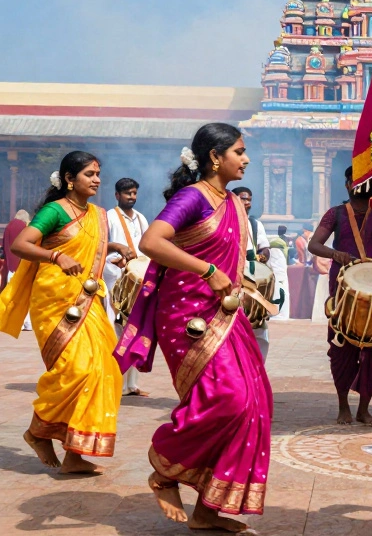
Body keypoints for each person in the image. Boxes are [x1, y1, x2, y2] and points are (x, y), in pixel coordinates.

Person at [116, 123, 272, 530]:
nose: (246, 158)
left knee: (254, 404)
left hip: (225, 313)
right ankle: (165, 471)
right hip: (189, 318)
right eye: (239, 151)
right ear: (215, 157)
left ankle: (208, 509)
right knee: (227, 400)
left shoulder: (234, 203)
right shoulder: (192, 197)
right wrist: (208, 270)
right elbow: (152, 242)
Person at [0, 151, 131, 474]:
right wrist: (54, 258)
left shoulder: (97, 214)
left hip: (88, 299)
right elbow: (20, 245)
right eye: (89, 174)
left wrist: (114, 249)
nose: (97, 179)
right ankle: (38, 432)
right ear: (69, 178)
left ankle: (74, 453)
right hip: (54, 302)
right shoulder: (54, 211)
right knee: (75, 370)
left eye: (98, 174)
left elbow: (87, 248)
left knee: (104, 368)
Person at [309, 167, 372, 425]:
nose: (361, 186)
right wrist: (336, 254)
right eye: (355, 181)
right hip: (344, 284)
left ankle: (364, 408)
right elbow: (315, 244)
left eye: (367, 182)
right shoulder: (335, 213)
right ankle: (343, 405)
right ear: (347, 184)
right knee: (341, 345)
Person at [103, 177, 150, 398]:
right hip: (115, 280)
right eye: (127, 193)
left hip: (137, 280)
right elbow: (101, 248)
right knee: (116, 329)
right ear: (117, 195)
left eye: (133, 193)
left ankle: (131, 384)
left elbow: (148, 248)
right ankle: (115, 382)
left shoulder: (141, 219)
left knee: (135, 330)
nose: (131, 197)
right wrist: (117, 258)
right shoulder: (108, 218)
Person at [232, 186, 275, 360]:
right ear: (233, 200)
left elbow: (264, 247)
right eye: (243, 198)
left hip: (252, 282)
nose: (247, 202)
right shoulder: (223, 221)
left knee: (257, 326)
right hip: (232, 280)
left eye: (249, 199)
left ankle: (257, 368)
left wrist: (263, 255)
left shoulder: (255, 224)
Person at [267, 225, 290, 321]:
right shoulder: (281, 244)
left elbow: (272, 264)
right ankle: (279, 313)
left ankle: (280, 314)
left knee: (279, 291)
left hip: (278, 274)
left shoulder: (275, 248)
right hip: (279, 274)